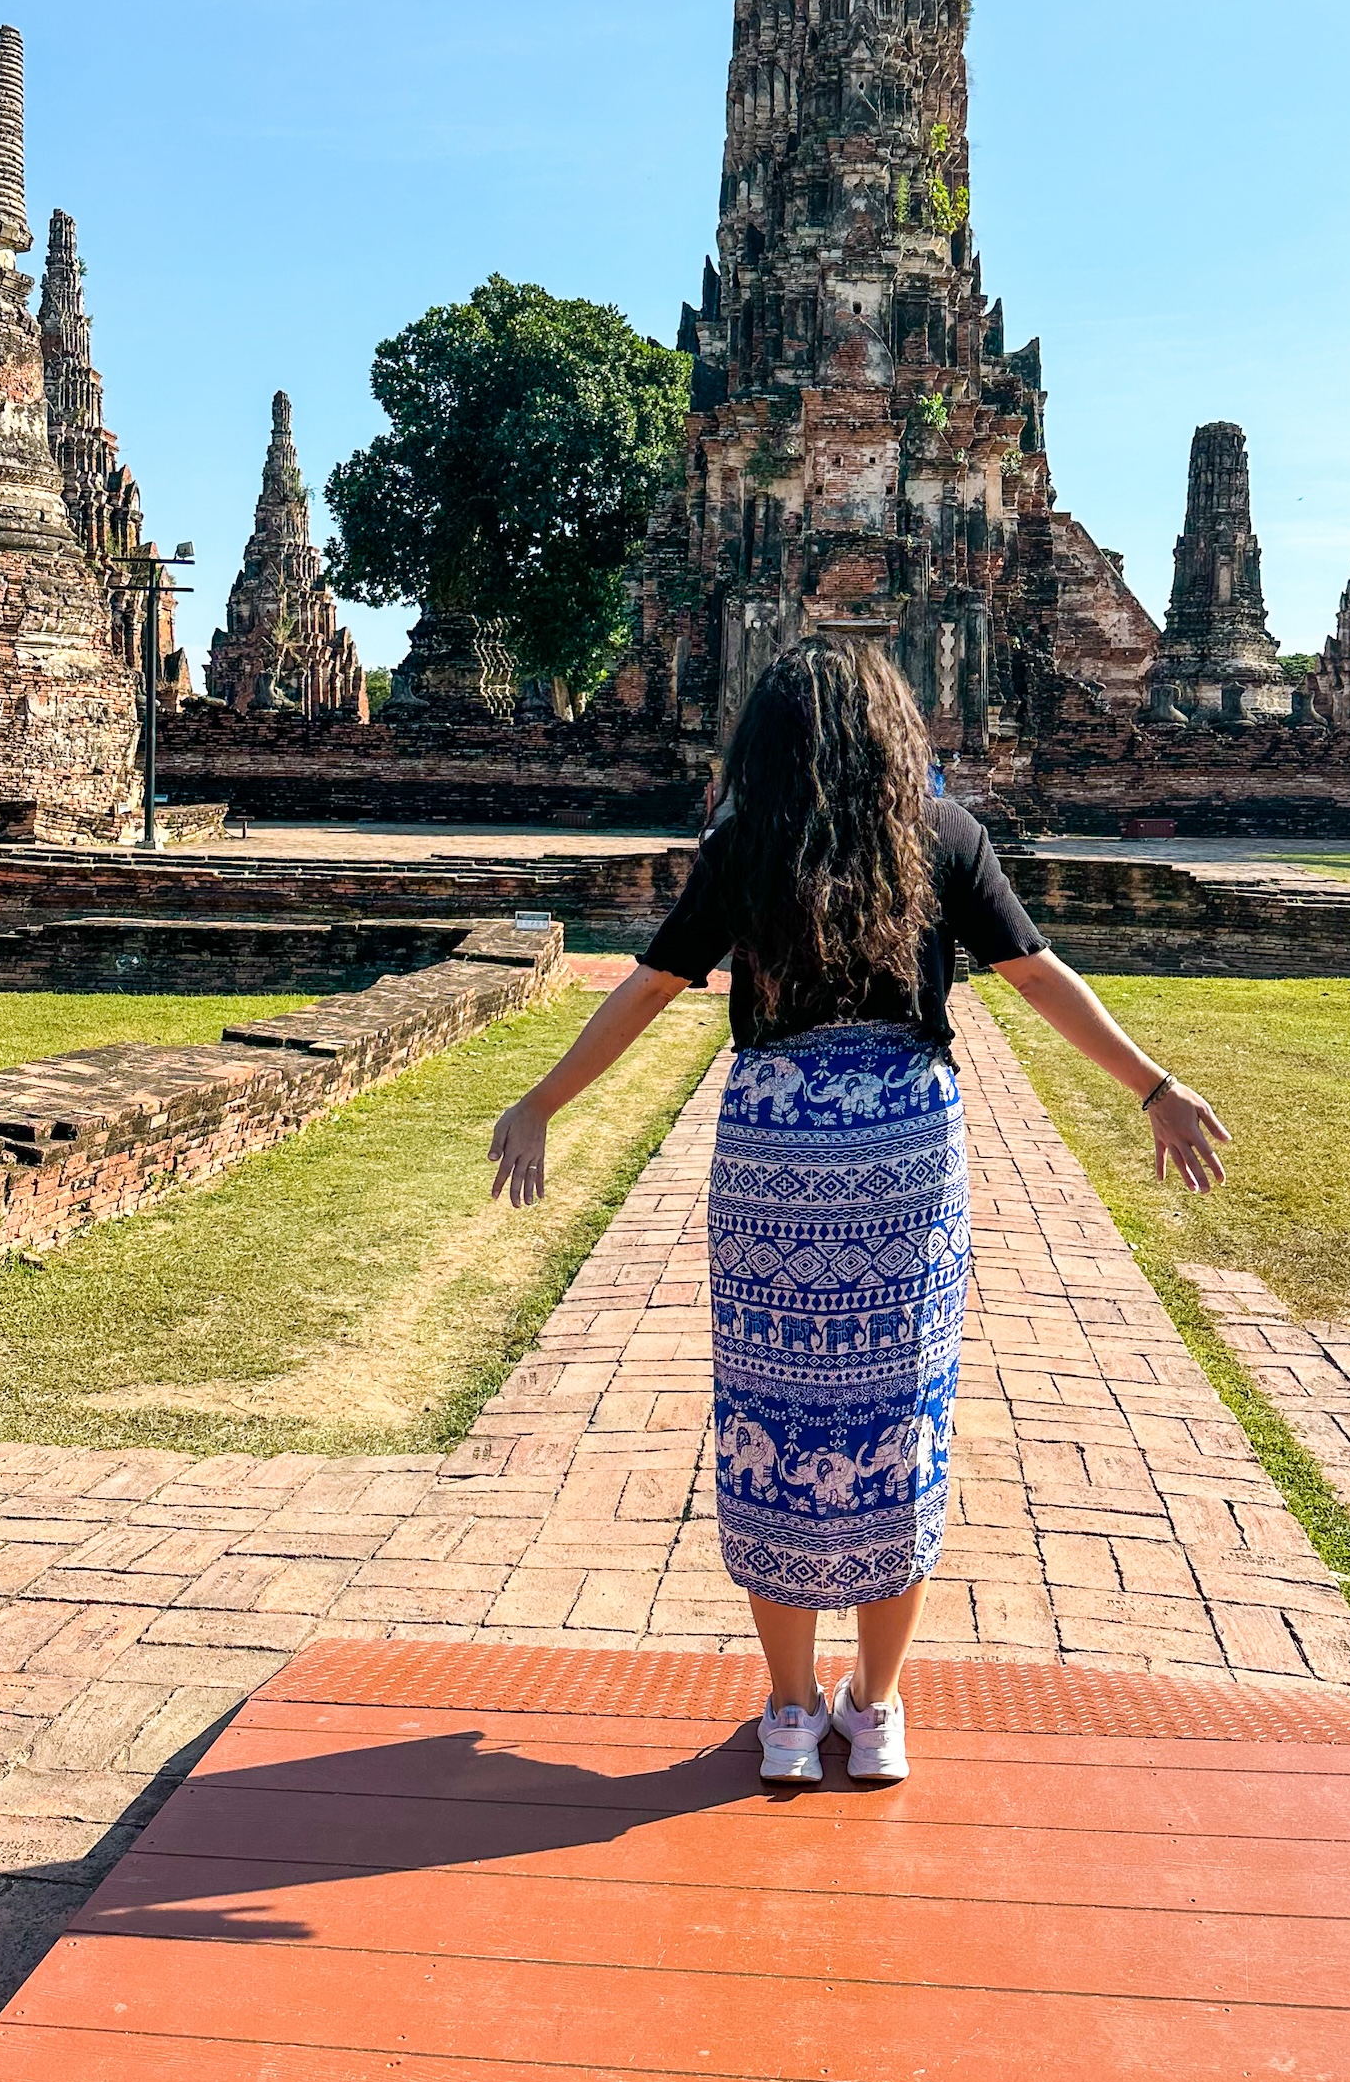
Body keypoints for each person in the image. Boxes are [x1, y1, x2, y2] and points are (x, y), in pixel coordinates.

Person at [488, 640, 1229, 1789]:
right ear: (897, 735)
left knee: (771, 1407)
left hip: (776, 1141)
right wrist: (1151, 1085)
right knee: (901, 1413)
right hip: (901, 1141)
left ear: (765, 741)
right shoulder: (940, 838)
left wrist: (541, 1102)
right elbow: (1036, 975)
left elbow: (646, 986)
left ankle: (789, 1713)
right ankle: (873, 1710)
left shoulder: (745, 843)